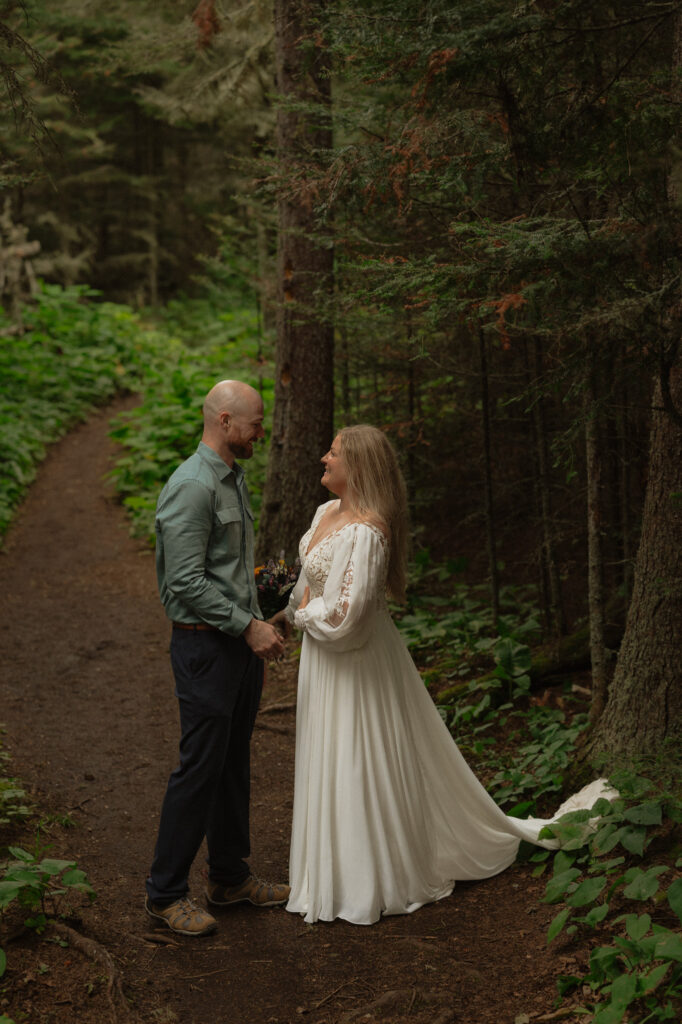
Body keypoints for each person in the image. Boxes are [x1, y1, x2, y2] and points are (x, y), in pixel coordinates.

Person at [284, 425, 611, 926]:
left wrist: (304, 616)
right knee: (327, 751)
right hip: (321, 662)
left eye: (334, 452)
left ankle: (366, 879)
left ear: (360, 467)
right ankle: (325, 876)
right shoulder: (324, 513)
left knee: (355, 755)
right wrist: (298, 607)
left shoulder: (369, 531)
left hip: (356, 662)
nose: (323, 458)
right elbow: (309, 586)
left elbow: (348, 619)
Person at [145, 379, 290, 937]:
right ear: (225, 421)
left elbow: (224, 569)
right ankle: (165, 894)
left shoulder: (233, 477)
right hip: (206, 647)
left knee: (232, 765)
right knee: (200, 767)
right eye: (255, 422)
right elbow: (183, 580)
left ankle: (229, 878)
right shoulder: (192, 485)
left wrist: (264, 611)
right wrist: (244, 624)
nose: (262, 432)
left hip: (236, 644)